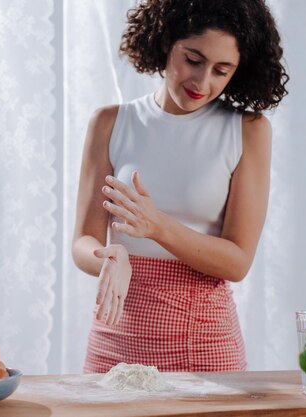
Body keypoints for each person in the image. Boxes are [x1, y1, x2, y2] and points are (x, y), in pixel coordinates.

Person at [72, 0, 289, 373]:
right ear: (165, 40)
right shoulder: (110, 122)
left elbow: (237, 262)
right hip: (115, 339)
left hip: (204, 345)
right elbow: (83, 242)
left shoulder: (247, 131)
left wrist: (159, 227)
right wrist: (110, 255)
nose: (202, 83)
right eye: (192, 59)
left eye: (222, 71)